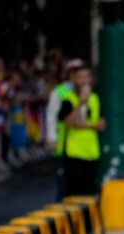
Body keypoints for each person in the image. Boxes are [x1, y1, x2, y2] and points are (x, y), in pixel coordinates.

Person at [57, 63, 104, 197]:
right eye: (80, 77)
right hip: (74, 152)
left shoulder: (95, 99)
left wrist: (84, 125)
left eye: (86, 77)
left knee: (90, 192)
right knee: (74, 193)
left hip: (92, 151)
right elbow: (69, 123)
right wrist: (81, 103)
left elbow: (101, 124)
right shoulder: (68, 100)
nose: (83, 81)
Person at [46, 58, 83, 200]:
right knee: (64, 180)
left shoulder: (86, 91)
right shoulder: (60, 91)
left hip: (83, 143)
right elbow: (51, 116)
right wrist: (52, 137)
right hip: (65, 141)